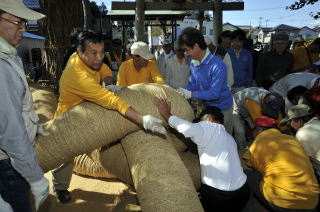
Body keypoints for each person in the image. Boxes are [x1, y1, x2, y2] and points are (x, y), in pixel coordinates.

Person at [53, 30, 166, 203]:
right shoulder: (78, 77)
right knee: (64, 157)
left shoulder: (89, 60)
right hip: (68, 119)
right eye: (94, 53)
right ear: (80, 52)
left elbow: (105, 70)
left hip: (89, 111)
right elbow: (112, 101)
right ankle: (60, 187)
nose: (99, 57)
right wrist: (142, 119)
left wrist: (107, 83)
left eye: (101, 52)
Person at [154, 98, 250, 212]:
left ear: (208, 118)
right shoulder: (229, 138)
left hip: (220, 197)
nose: (199, 124)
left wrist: (167, 114)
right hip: (243, 192)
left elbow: (186, 127)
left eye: (200, 121)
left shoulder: (209, 127)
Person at [0, 1, 49, 211]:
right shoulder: (2, 68)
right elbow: (11, 133)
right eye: (18, 23)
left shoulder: (9, 55)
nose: (23, 30)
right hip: (8, 165)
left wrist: (33, 124)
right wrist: (36, 178)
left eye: (24, 24)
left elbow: (12, 107)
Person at [243, 116, 319, 212]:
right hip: (312, 200)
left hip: (282, 201)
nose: (253, 135)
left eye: (253, 132)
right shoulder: (292, 140)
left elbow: (248, 163)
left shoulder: (256, 145)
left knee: (245, 174)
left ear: (259, 130)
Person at [177, 27, 234, 135]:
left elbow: (214, 93)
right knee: (209, 137)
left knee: (223, 139)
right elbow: (193, 83)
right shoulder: (194, 63)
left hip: (223, 107)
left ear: (196, 46)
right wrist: (184, 91)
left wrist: (191, 94)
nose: (185, 53)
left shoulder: (217, 65)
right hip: (208, 106)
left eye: (186, 50)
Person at [226, 29, 253, 93]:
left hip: (243, 87)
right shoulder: (225, 53)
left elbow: (250, 71)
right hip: (228, 86)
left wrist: (248, 86)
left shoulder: (248, 54)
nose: (239, 43)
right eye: (237, 41)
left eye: (241, 41)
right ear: (232, 40)